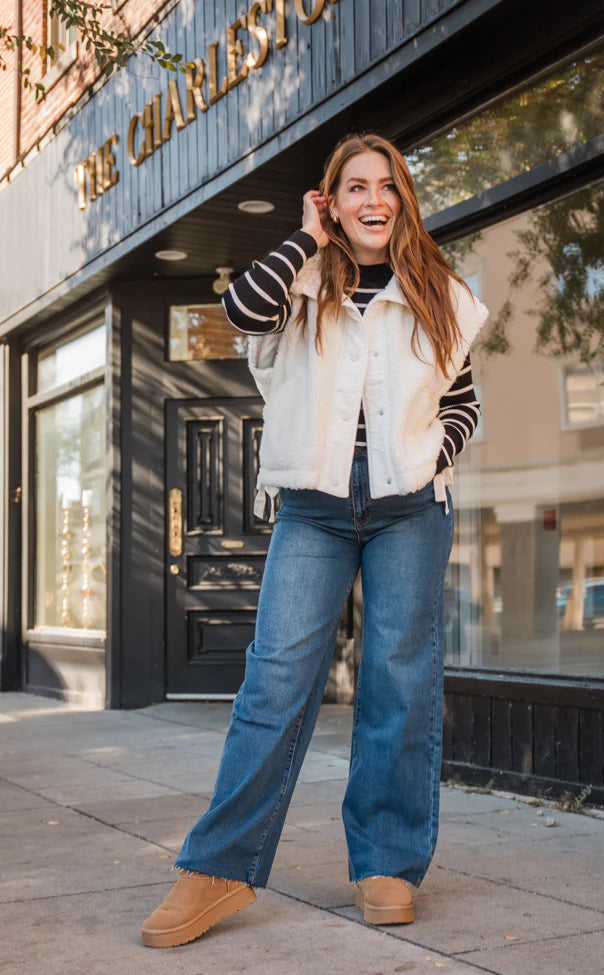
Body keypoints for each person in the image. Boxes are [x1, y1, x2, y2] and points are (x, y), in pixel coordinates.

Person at [141, 132, 488, 949]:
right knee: (275, 682)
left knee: (399, 684)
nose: (374, 200)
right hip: (313, 506)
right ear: (332, 200)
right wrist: (306, 233)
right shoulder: (295, 283)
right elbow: (236, 312)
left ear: (404, 200)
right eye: (355, 187)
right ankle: (219, 865)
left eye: (388, 186)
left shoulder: (444, 294)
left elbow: (463, 402)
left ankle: (386, 864)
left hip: (410, 508)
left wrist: (425, 456)